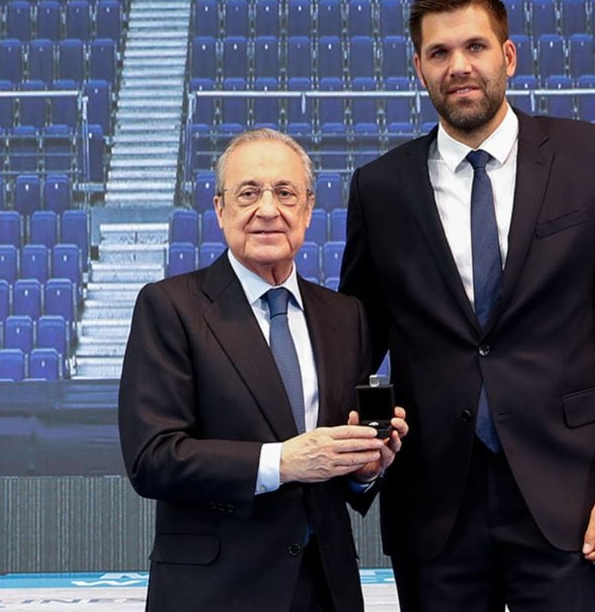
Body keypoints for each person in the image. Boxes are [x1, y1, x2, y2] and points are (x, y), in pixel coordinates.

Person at [339, 0, 595, 610]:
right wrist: (352, 458)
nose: (458, 65)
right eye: (438, 53)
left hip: (570, 498)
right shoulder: (379, 188)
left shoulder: (593, 156)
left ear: (508, 56)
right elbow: (354, 343)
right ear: (418, 68)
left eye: (475, 46)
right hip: (433, 505)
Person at [119, 128, 408, 612]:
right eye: (249, 193)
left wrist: (363, 467)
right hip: (216, 592)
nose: (268, 210)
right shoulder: (169, 307)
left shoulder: (345, 316)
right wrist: (282, 462)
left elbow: (338, 462)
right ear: (220, 209)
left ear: (309, 209)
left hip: (327, 588)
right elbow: (153, 458)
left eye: (285, 193)